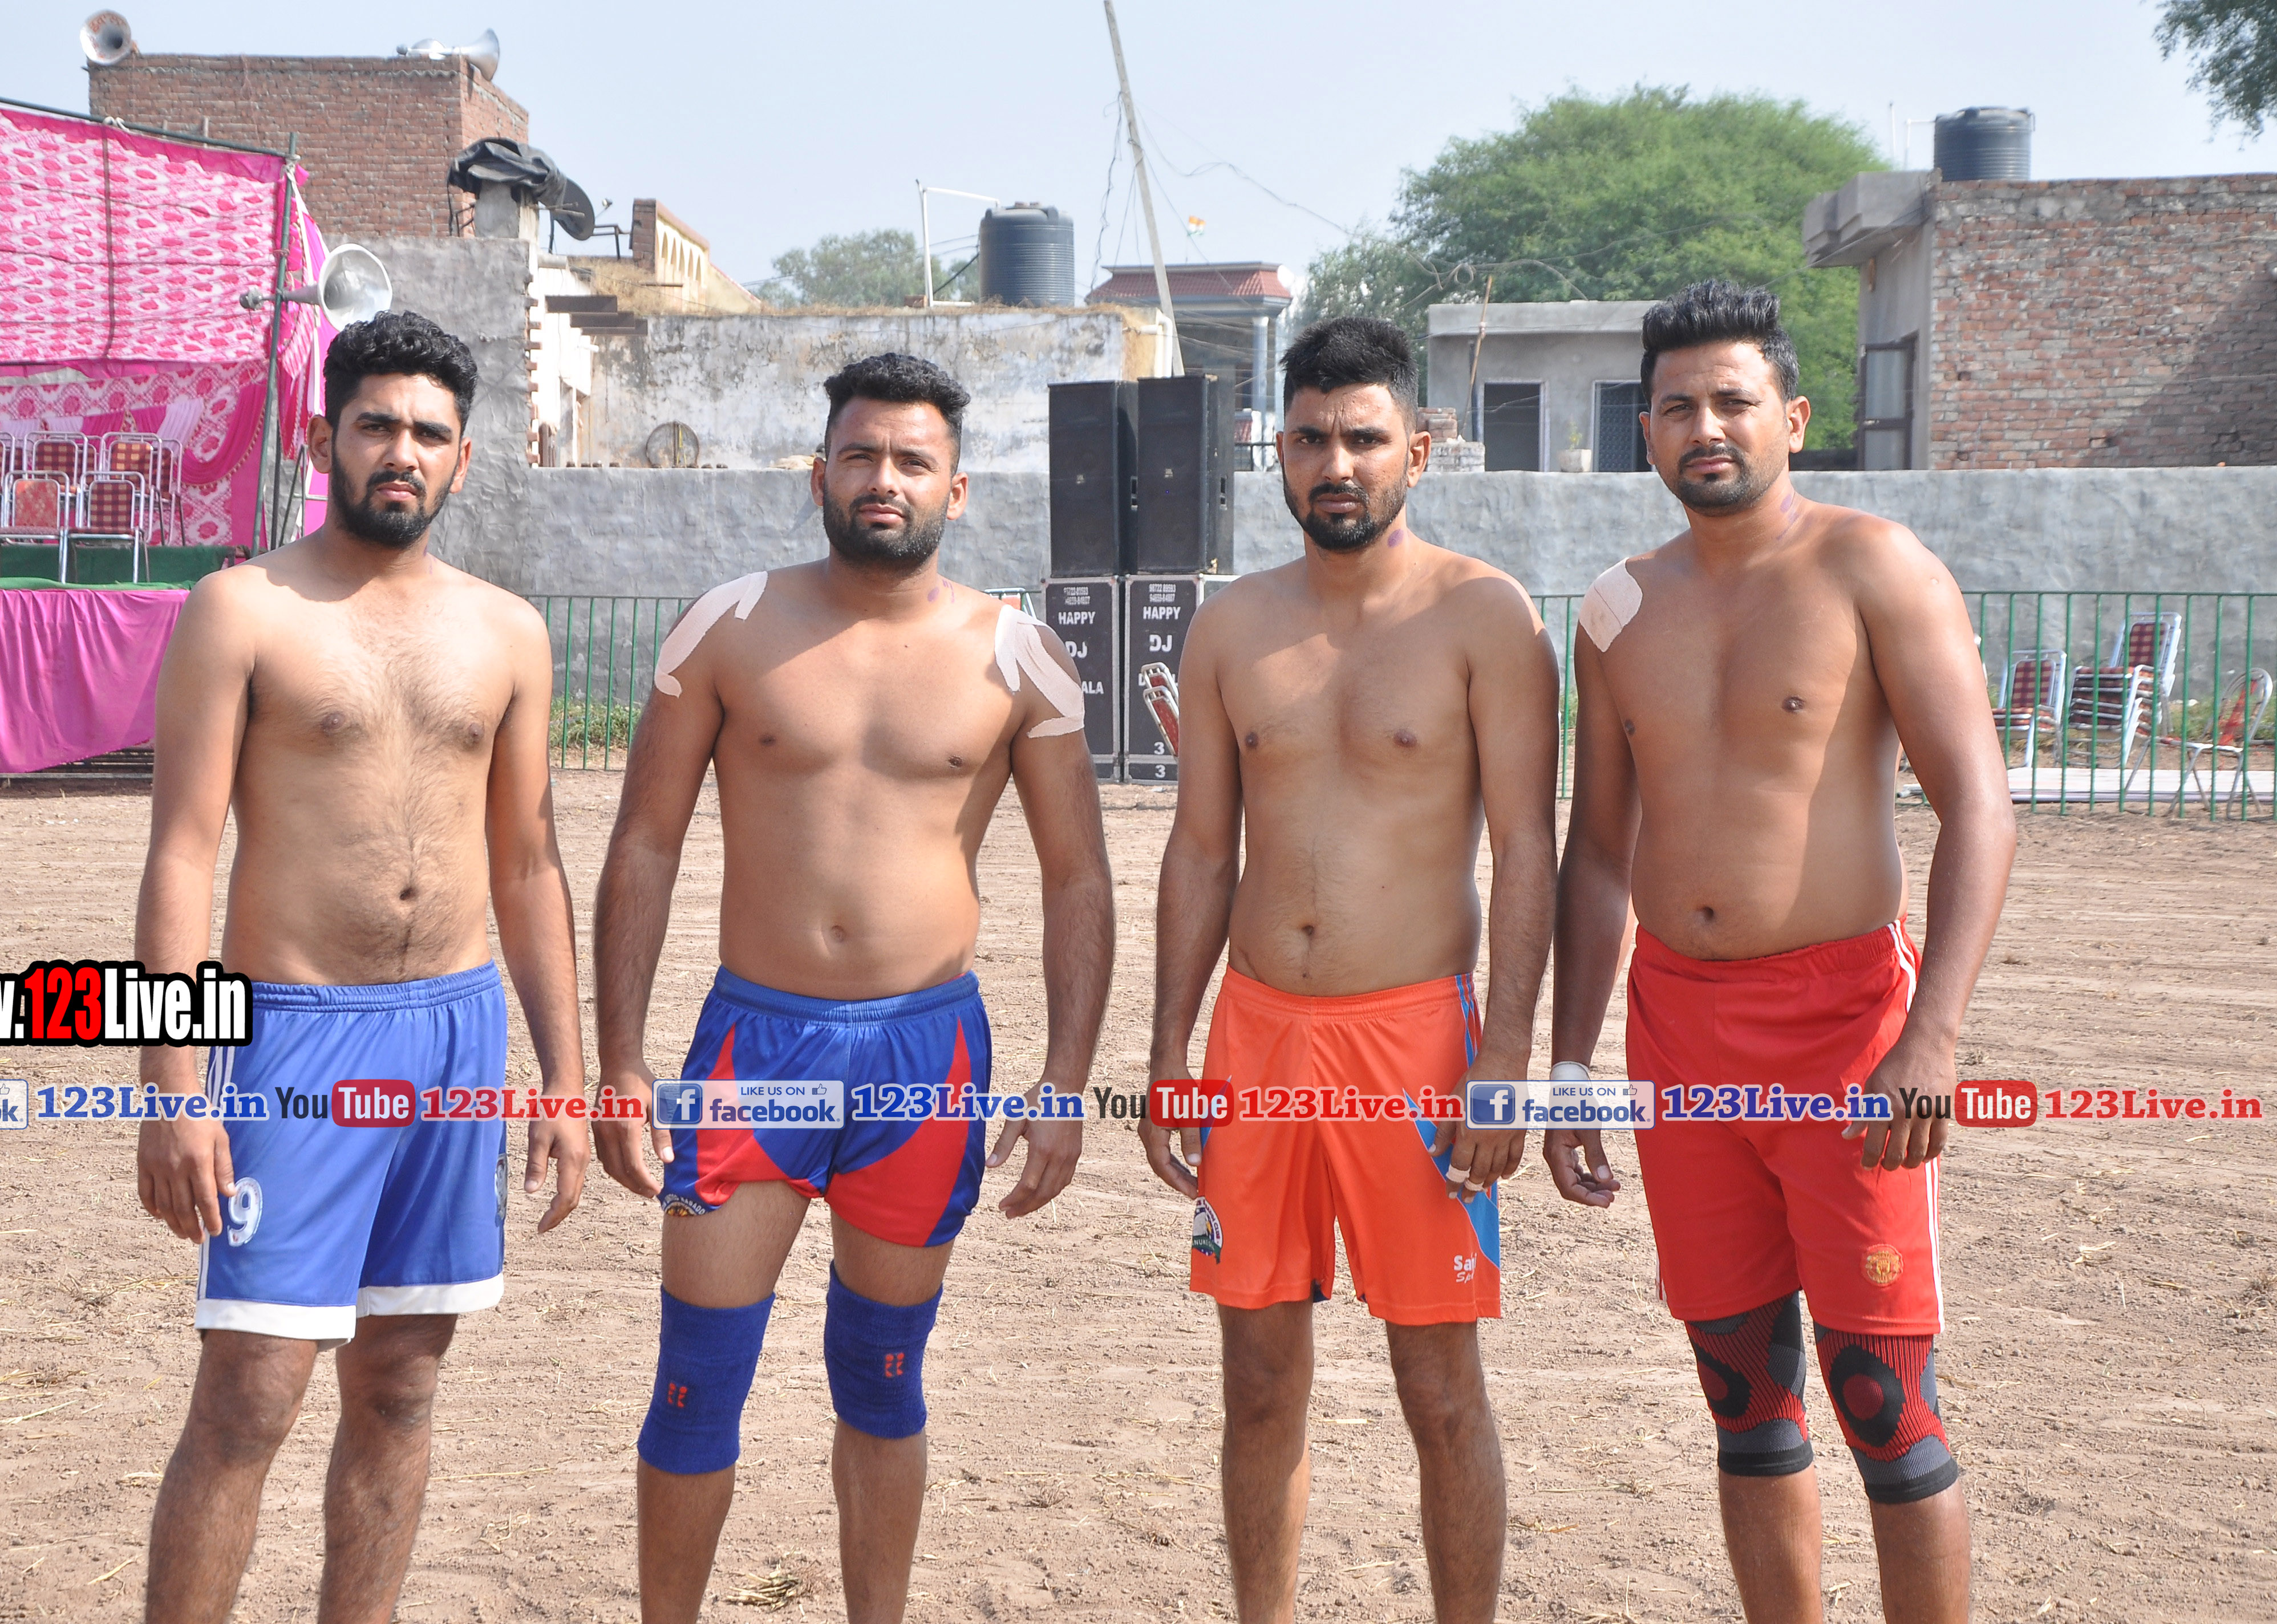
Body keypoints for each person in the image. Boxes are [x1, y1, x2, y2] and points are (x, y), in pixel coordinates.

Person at [591, 352, 1116, 1624]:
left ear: (957, 487)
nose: (886, 478)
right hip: (753, 1049)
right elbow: (644, 843)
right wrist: (618, 1057)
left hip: (923, 1057)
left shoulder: (1022, 657)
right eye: (862, 455)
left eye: (913, 460)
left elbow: (1078, 879)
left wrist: (1064, 1081)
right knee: (694, 1383)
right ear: (819, 471)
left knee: (881, 1382)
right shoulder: (727, 627)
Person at [1546, 280, 2013, 1624]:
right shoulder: (1614, 608)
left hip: (1843, 1027)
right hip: (1674, 1027)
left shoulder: (1873, 567)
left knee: (1880, 1396)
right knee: (1741, 1391)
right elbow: (1596, 853)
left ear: (1791, 418)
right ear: (1644, 428)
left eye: (1731, 401)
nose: (1705, 426)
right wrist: (1570, 1066)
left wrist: (1930, 1037)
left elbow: (1978, 805)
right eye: (1676, 406)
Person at [131, 310, 591, 1623]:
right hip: (295, 1036)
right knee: (250, 1392)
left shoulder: (507, 630)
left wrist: (563, 1079)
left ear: (464, 456)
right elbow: (181, 855)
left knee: (400, 1381)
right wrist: (175, 1084)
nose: (403, 451)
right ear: (322, 436)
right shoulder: (243, 608)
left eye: (429, 432)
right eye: (377, 424)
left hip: (453, 1035)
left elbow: (528, 864)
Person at [1142, 315, 1559, 1624]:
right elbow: (1199, 851)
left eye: (1363, 438)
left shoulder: (1484, 616)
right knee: (1257, 1378)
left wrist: (1505, 1056)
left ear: (1416, 451)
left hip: (1417, 1042)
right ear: (1275, 450)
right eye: (1310, 437)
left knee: (1438, 1387)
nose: (1336, 463)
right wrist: (1168, 1051)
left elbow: (1529, 851)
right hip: (1256, 1036)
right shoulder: (1230, 626)